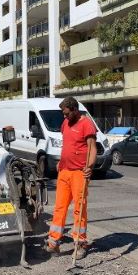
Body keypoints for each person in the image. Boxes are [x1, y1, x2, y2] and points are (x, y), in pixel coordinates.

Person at [45, 97, 97, 259]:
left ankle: (80, 243)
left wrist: (89, 167)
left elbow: (92, 149)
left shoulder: (86, 124)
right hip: (64, 172)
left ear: (75, 109)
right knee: (59, 207)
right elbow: (68, 144)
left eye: (67, 113)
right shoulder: (66, 123)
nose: (64, 116)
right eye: (63, 114)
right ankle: (54, 242)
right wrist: (62, 161)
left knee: (78, 209)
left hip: (79, 173)